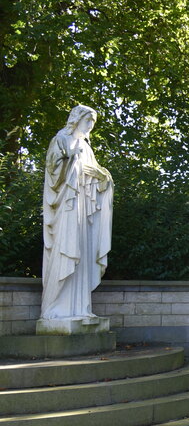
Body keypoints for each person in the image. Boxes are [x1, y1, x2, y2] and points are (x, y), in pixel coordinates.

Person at [40, 105, 113, 323]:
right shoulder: (61, 139)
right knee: (65, 250)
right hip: (66, 208)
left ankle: (80, 308)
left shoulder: (87, 148)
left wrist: (103, 178)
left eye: (93, 122)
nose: (90, 126)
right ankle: (55, 308)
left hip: (83, 210)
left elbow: (98, 182)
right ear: (77, 119)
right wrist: (69, 158)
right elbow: (53, 175)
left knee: (82, 254)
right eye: (87, 121)